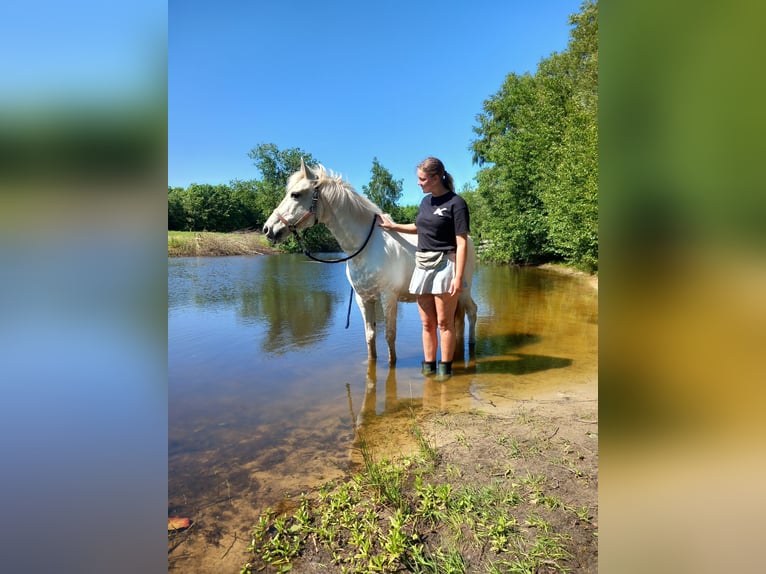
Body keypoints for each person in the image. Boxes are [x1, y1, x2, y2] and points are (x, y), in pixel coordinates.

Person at [378, 157, 470, 379]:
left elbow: (462, 242)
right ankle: (429, 367)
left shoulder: (456, 203)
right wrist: (393, 226)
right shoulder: (425, 202)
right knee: (427, 323)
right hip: (422, 265)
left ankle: (445, 368)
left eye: (422, 179)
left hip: (445, 264)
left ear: (436, 178)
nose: (418, 183)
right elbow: (418, 227)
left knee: (444, 323)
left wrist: (458, 278)